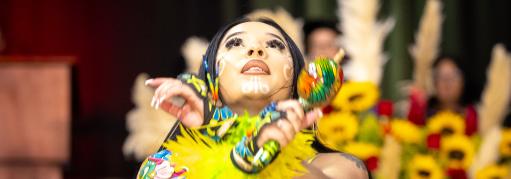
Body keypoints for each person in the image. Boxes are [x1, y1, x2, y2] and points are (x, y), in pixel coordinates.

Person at [139, 18, 368, 178]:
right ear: (211, 81)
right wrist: (228, 134)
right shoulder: (163, 167)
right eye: (235, 43)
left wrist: (260, 147)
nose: (256, 50)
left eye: (274, 44)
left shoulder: (341, 168)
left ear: (298, 81)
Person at [408, 56, 477, 135]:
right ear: (433, 83)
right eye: (441, 76)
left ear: (463, 81)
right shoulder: (423, 114)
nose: (447, 83)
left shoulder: (471, 116)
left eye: (453, 76)